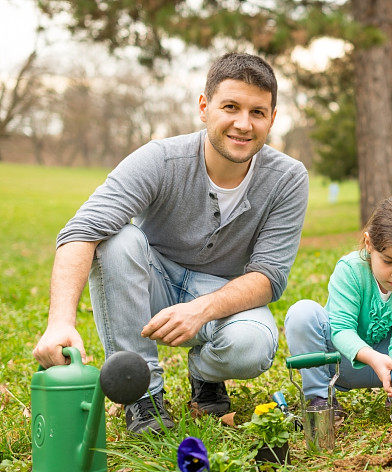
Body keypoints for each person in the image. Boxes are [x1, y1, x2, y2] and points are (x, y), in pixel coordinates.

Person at [32, 52, 309, 433]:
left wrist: (202, 309)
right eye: (230, 107)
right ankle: (143, 394)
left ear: (272, 118)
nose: (243, 124)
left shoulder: (289, 178)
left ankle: (205, 376)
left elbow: (268, 276)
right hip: (151, 283)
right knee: (116, 241)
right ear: (204, 107)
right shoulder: (160, 159)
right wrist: (60, 322)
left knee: (253, 346)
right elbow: (82, 231)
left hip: (221, 295)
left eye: (258, 112)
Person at [284, 196, 392, 415]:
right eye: (388, 261)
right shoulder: (351, 271)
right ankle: (321, 400)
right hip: (340, 365)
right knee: (302, 312)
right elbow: (341, 329)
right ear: (368, 244)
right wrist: (373, 358)